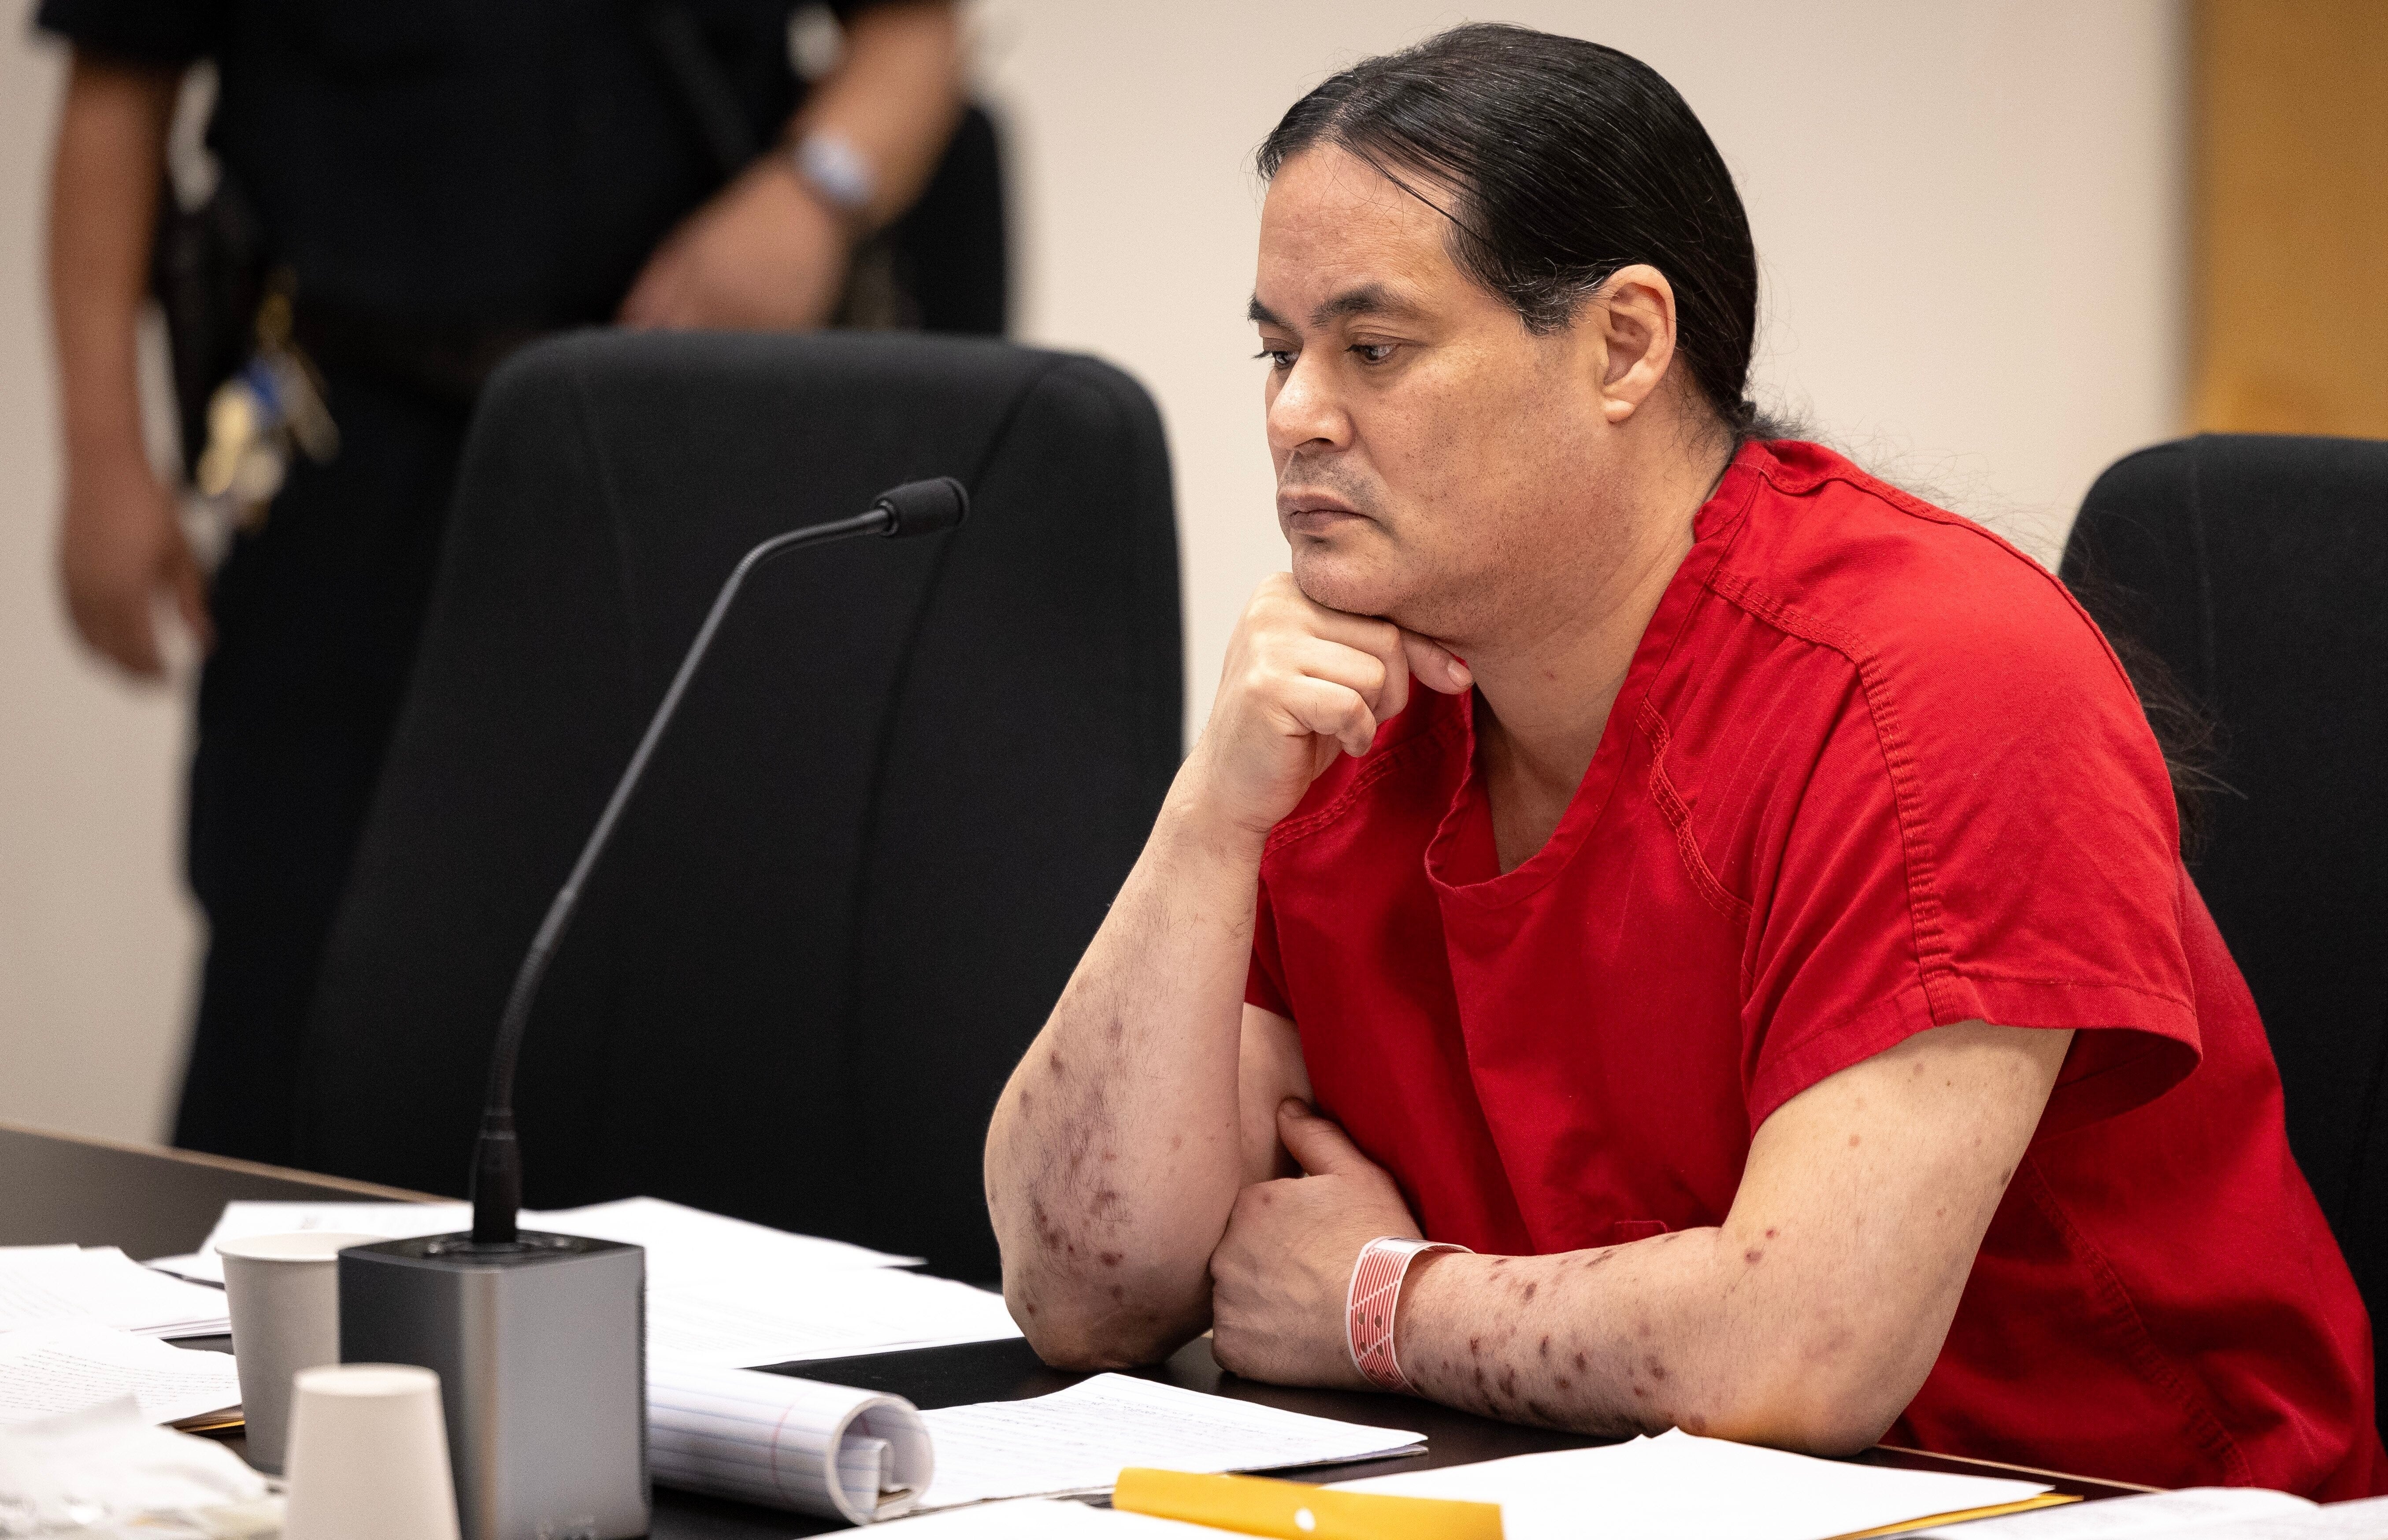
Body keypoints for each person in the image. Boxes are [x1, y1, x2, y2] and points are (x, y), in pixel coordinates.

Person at [982, 24, 2385, 1496]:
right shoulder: (1351, 694)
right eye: (1277, 352)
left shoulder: (1940, 681)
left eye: (1371, 349)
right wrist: (1208, 815)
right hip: (1582, 1488)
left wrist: (1378, 1305)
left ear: (1623, 345)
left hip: (2077, 1502)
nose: (1291, 416)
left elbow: (1799, 1357)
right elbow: (1084, 1288)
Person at [41, 0, 987, 1165]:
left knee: (697, 958)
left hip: (675, 440)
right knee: (294, 962)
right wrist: (100, 455)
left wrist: (811, 193)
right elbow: (114, 91)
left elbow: (917, 31)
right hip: (353, 452)